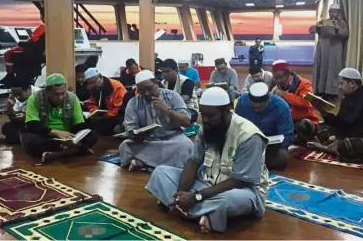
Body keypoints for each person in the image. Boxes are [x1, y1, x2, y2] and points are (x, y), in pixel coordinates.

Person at [146, 87, 268, 233]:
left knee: (223, 201)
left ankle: (189, 210)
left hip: (243, 191)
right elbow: (193, 161)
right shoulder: (206, 128)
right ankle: (200, 214)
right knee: (160, 172)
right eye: (203, 114)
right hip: (206, 184)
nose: (206, 120)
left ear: (226, 110)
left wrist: (197, 196)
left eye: (211, 115)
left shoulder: (249, 135)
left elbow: (240, 180)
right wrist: (181, 195)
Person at [307, 68, 363, 163]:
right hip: (357, 136)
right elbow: (341, 124)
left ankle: (328, 149)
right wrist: (323, 111)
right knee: (319, 128)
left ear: (351, 83)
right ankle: (331, 146)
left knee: (347, 145)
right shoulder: (348, 99)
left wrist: (342, 138)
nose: (339, 87)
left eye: (341, 83)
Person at [119, 70, 193, 171]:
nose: (146, 93)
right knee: (125, 146)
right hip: (148, 142)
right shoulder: (133, 103)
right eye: (141, 91)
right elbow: (131, 128)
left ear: (157, 83)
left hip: (172, 139)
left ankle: (142, 162)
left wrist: (168, 110)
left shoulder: (173, 96)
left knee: (186, 145)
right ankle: (160, 162)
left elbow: (186, 122)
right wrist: (136, 136)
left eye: (149, 88)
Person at [22, 74, 98, 163]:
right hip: (46, 136)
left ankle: (58, 153)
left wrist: (73, 138)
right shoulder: (35, 98)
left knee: (92, 135)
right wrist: (56, 133)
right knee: (30, 140)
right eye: (56, 94)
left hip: (69, 136)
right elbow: (32, 125)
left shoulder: (72, 98)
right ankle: (74, 150)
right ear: (47, 91)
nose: (60, 97)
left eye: (63, 93)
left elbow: (79, 124)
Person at [236, 82, 294, 170]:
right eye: (254, 107)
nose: (256, 110)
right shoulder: (242, 101)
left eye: (260, 107)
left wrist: (267, 143)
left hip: (269, 147)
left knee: (282, 157)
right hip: (247, 143)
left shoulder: (282, 106)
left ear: (269, 100)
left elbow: (288, 136)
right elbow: (236, 125)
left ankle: (250, 163)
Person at [271, 60, 319, 145]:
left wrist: (284, 94)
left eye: (280, 77)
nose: (278, 81)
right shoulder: (275, 89)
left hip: (304, 121)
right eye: (276, 78)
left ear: (289, 74)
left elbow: (305, 103)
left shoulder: (304, 84)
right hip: (288, 122)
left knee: (305, 125)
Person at [310, 3, 349, 100]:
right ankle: (320, 90)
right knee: (322, 70)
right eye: (330, 11)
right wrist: (317, 27)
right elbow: (311, 30)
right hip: (323, 50)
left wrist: (336, 28)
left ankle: (332, 92)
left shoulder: (342, 23)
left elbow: (345, 34)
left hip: (335, 50)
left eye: (334, 12)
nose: (332, 14)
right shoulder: (324, 22)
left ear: (338, 13)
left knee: (333, 71)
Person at [0, 78, 40, 144]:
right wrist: (9, 107)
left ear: (28, 89)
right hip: (25, 123)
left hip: (39, 122)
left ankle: (7, 139)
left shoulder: (38, 95)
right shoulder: (16, 98)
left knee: (31, 129)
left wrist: (23, 117)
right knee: (6, 127)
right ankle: (18, 138)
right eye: (15, 95)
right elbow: (15, 119)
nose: (17, 97)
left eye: (19, 94)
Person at [84, 68, 127, 135]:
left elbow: (120, 108)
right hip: (103, 116)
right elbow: (91, 103)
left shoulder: (116, 86)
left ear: (100, 77)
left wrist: (104, 116)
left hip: (117, 116)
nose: (92, 84)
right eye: (90, 83)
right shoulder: (94, 88)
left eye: (93, 82)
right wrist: (94, 113)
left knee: (101, 128)